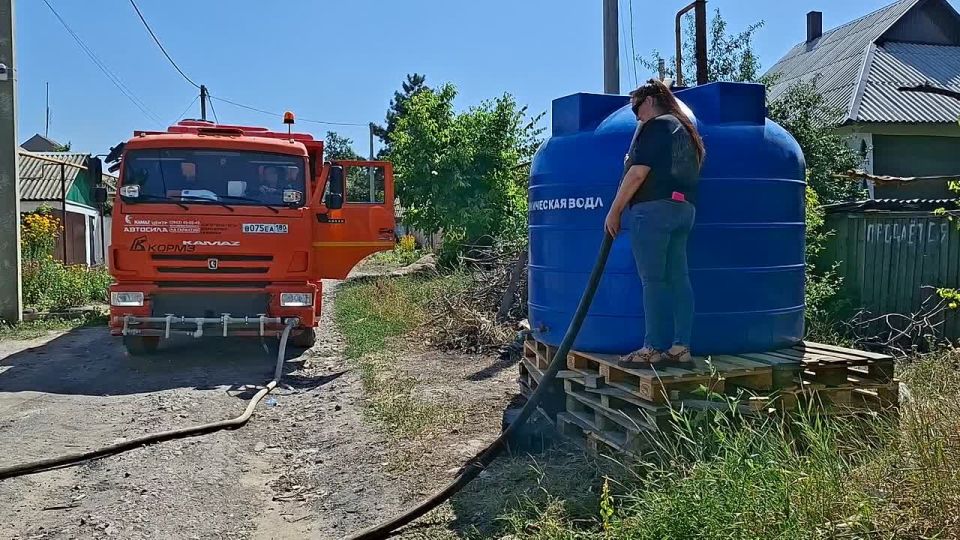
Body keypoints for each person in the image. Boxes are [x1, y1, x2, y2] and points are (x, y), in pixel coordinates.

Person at [603, 79, 705, 367]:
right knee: (679, 279)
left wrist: (615, 211)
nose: (636, 116)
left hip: (654, 211)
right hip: (684, 209)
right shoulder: (686, 130)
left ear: (649, 102)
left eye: (637, 108)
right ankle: (681, 346)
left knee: (653, 281)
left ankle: (653, 347)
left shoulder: (657, 125)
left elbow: (636, 174)